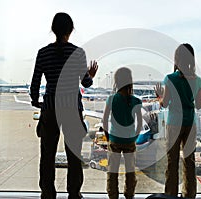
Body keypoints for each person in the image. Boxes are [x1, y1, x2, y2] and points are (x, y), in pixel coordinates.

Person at [30, 12, 98, 199]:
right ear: (70, 30)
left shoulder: (43, 53)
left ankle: (47, 192)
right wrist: (90, 76)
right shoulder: (77, 53)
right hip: (71, 108)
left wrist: (36, 101)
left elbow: (35, 83)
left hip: (50, 107)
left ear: (53, 29)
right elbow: (85, 84)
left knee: (47, 154)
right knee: (74, 155)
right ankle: (74, 193)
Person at [154, 43, 201, 198]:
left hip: (174, 122)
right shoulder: (197, 80)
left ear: (176, 59)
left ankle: (171, 195)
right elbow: (199, 105)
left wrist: (160, 97)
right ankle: (190, 194)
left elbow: (165, 103)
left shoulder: (170, 79)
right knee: (190, 161)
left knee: (172, 161)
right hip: (190, 123)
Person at [103, 67, 142, 199]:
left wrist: (109, 137)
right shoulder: (136, 101)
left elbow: (104, 121)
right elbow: (140, 123)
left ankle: (113, 195)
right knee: (130, 171)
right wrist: (134, 137)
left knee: (112, 171)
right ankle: (129, 194)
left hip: (114, 139)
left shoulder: (111, 99)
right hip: (130, 140)